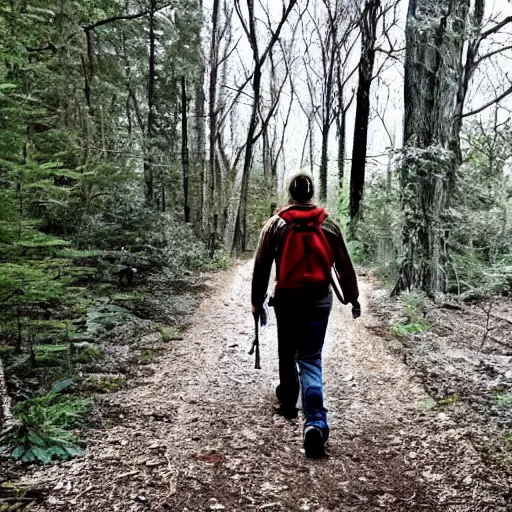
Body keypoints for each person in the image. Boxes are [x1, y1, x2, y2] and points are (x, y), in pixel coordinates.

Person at [251, 173, 360, 458]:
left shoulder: (275, 225)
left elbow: (261, 266)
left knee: (287, 348)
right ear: (312, 194)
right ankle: (315, 421)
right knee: (310, 358)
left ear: (290, 193)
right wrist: (353, 298)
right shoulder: (329, 225)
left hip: (287, 298)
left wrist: (255, 302)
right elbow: (344, 266)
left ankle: (288, 399)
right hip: (319, 300)